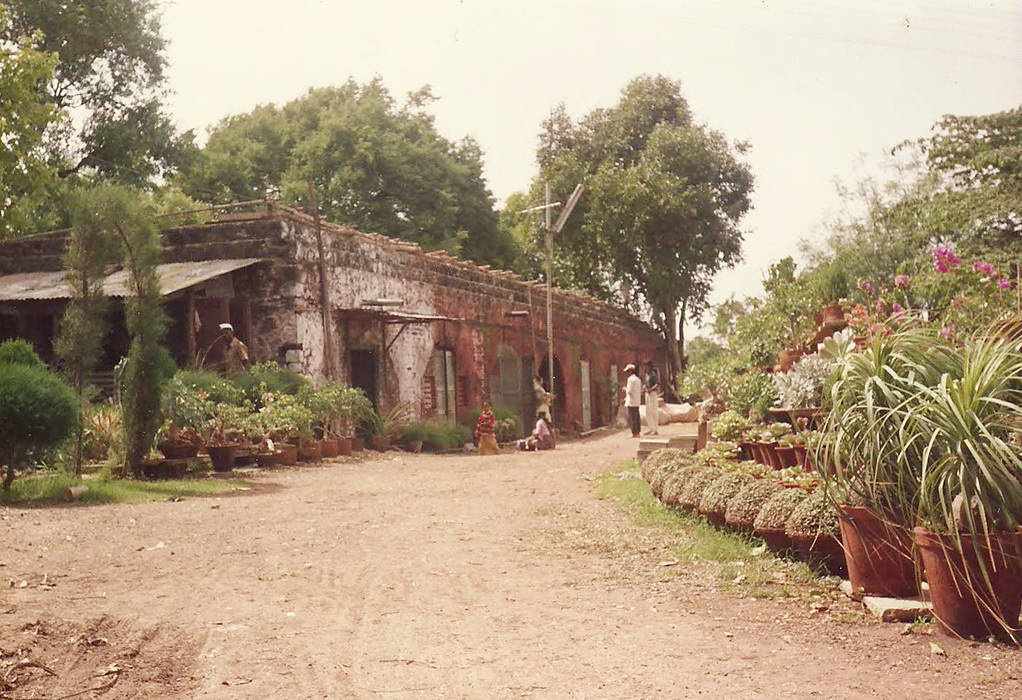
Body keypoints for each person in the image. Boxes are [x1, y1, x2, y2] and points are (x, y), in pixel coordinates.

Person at [622, 364, 642, 438]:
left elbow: (629, 391)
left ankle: (634, 432)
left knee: (632, 417)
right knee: (637, 416)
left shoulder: (630, 379)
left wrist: (625, 389)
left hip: (631, 401)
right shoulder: (638, 379)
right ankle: (638, 431)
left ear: (630, 371)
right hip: (637, 401)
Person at [643, 360, 661, 436]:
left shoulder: (653, 375)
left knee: (653, 411)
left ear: (650, 367)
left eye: (647, 366)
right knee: (648, 412)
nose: (646, 368)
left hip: (652, 394)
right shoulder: (646, 375)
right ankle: (650, 428)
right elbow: (646, 384)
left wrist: (651, 389)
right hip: (647, 393)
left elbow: (657, 384)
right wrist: (644, 387)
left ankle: (655, 429)